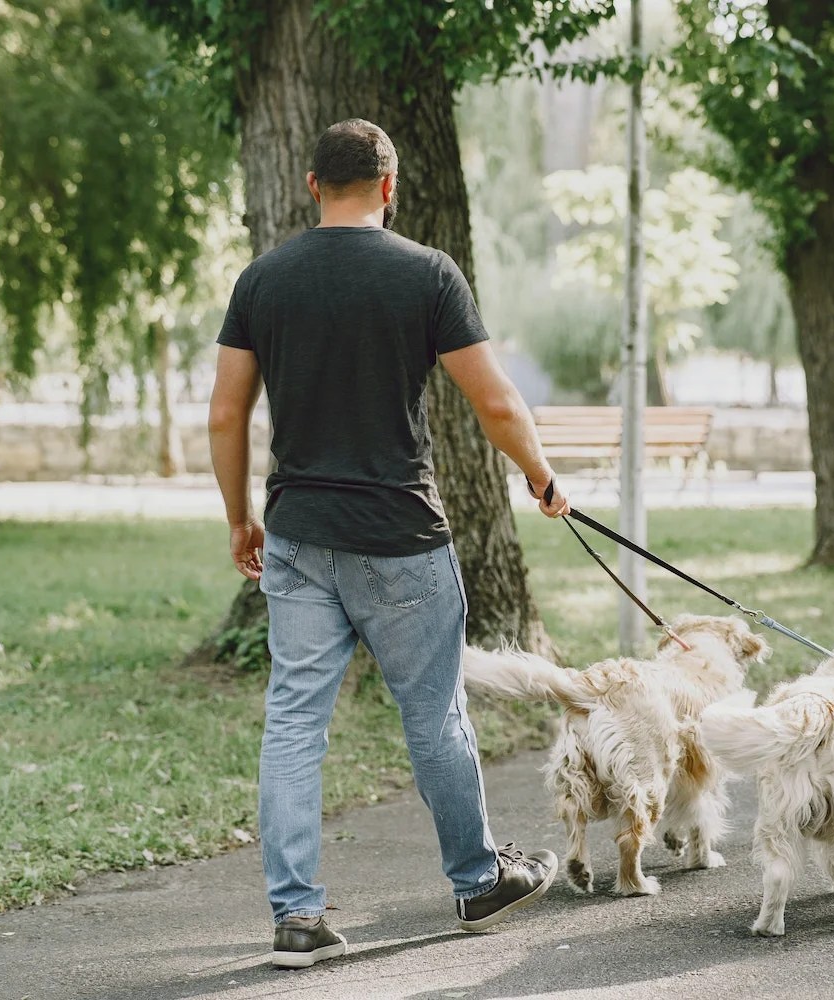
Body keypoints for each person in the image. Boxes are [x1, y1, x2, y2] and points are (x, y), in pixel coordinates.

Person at [207, 118, 571, 970]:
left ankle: (296, 917)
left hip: (299, 536)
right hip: (400, 537)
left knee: (294, 724)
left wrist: (239, 518)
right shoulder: (427, 274)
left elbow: (225, 412)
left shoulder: (263, 280)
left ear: (311, 185)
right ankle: (478, 880)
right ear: (389, 185)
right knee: (434, 714)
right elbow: (496, 402)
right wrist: (541, 476)